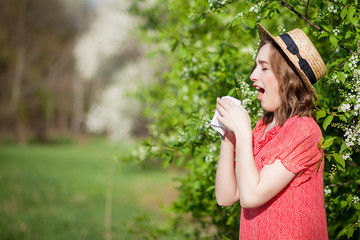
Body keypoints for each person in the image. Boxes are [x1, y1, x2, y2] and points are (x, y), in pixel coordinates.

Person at [214, 23, 328, 239]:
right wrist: (229, 135)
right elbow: (226, 197)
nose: (252, 75)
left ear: (288, 77)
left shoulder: (304, 130)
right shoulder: (261, 128)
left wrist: (242, 131)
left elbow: (251, 196)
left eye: (264, 68)